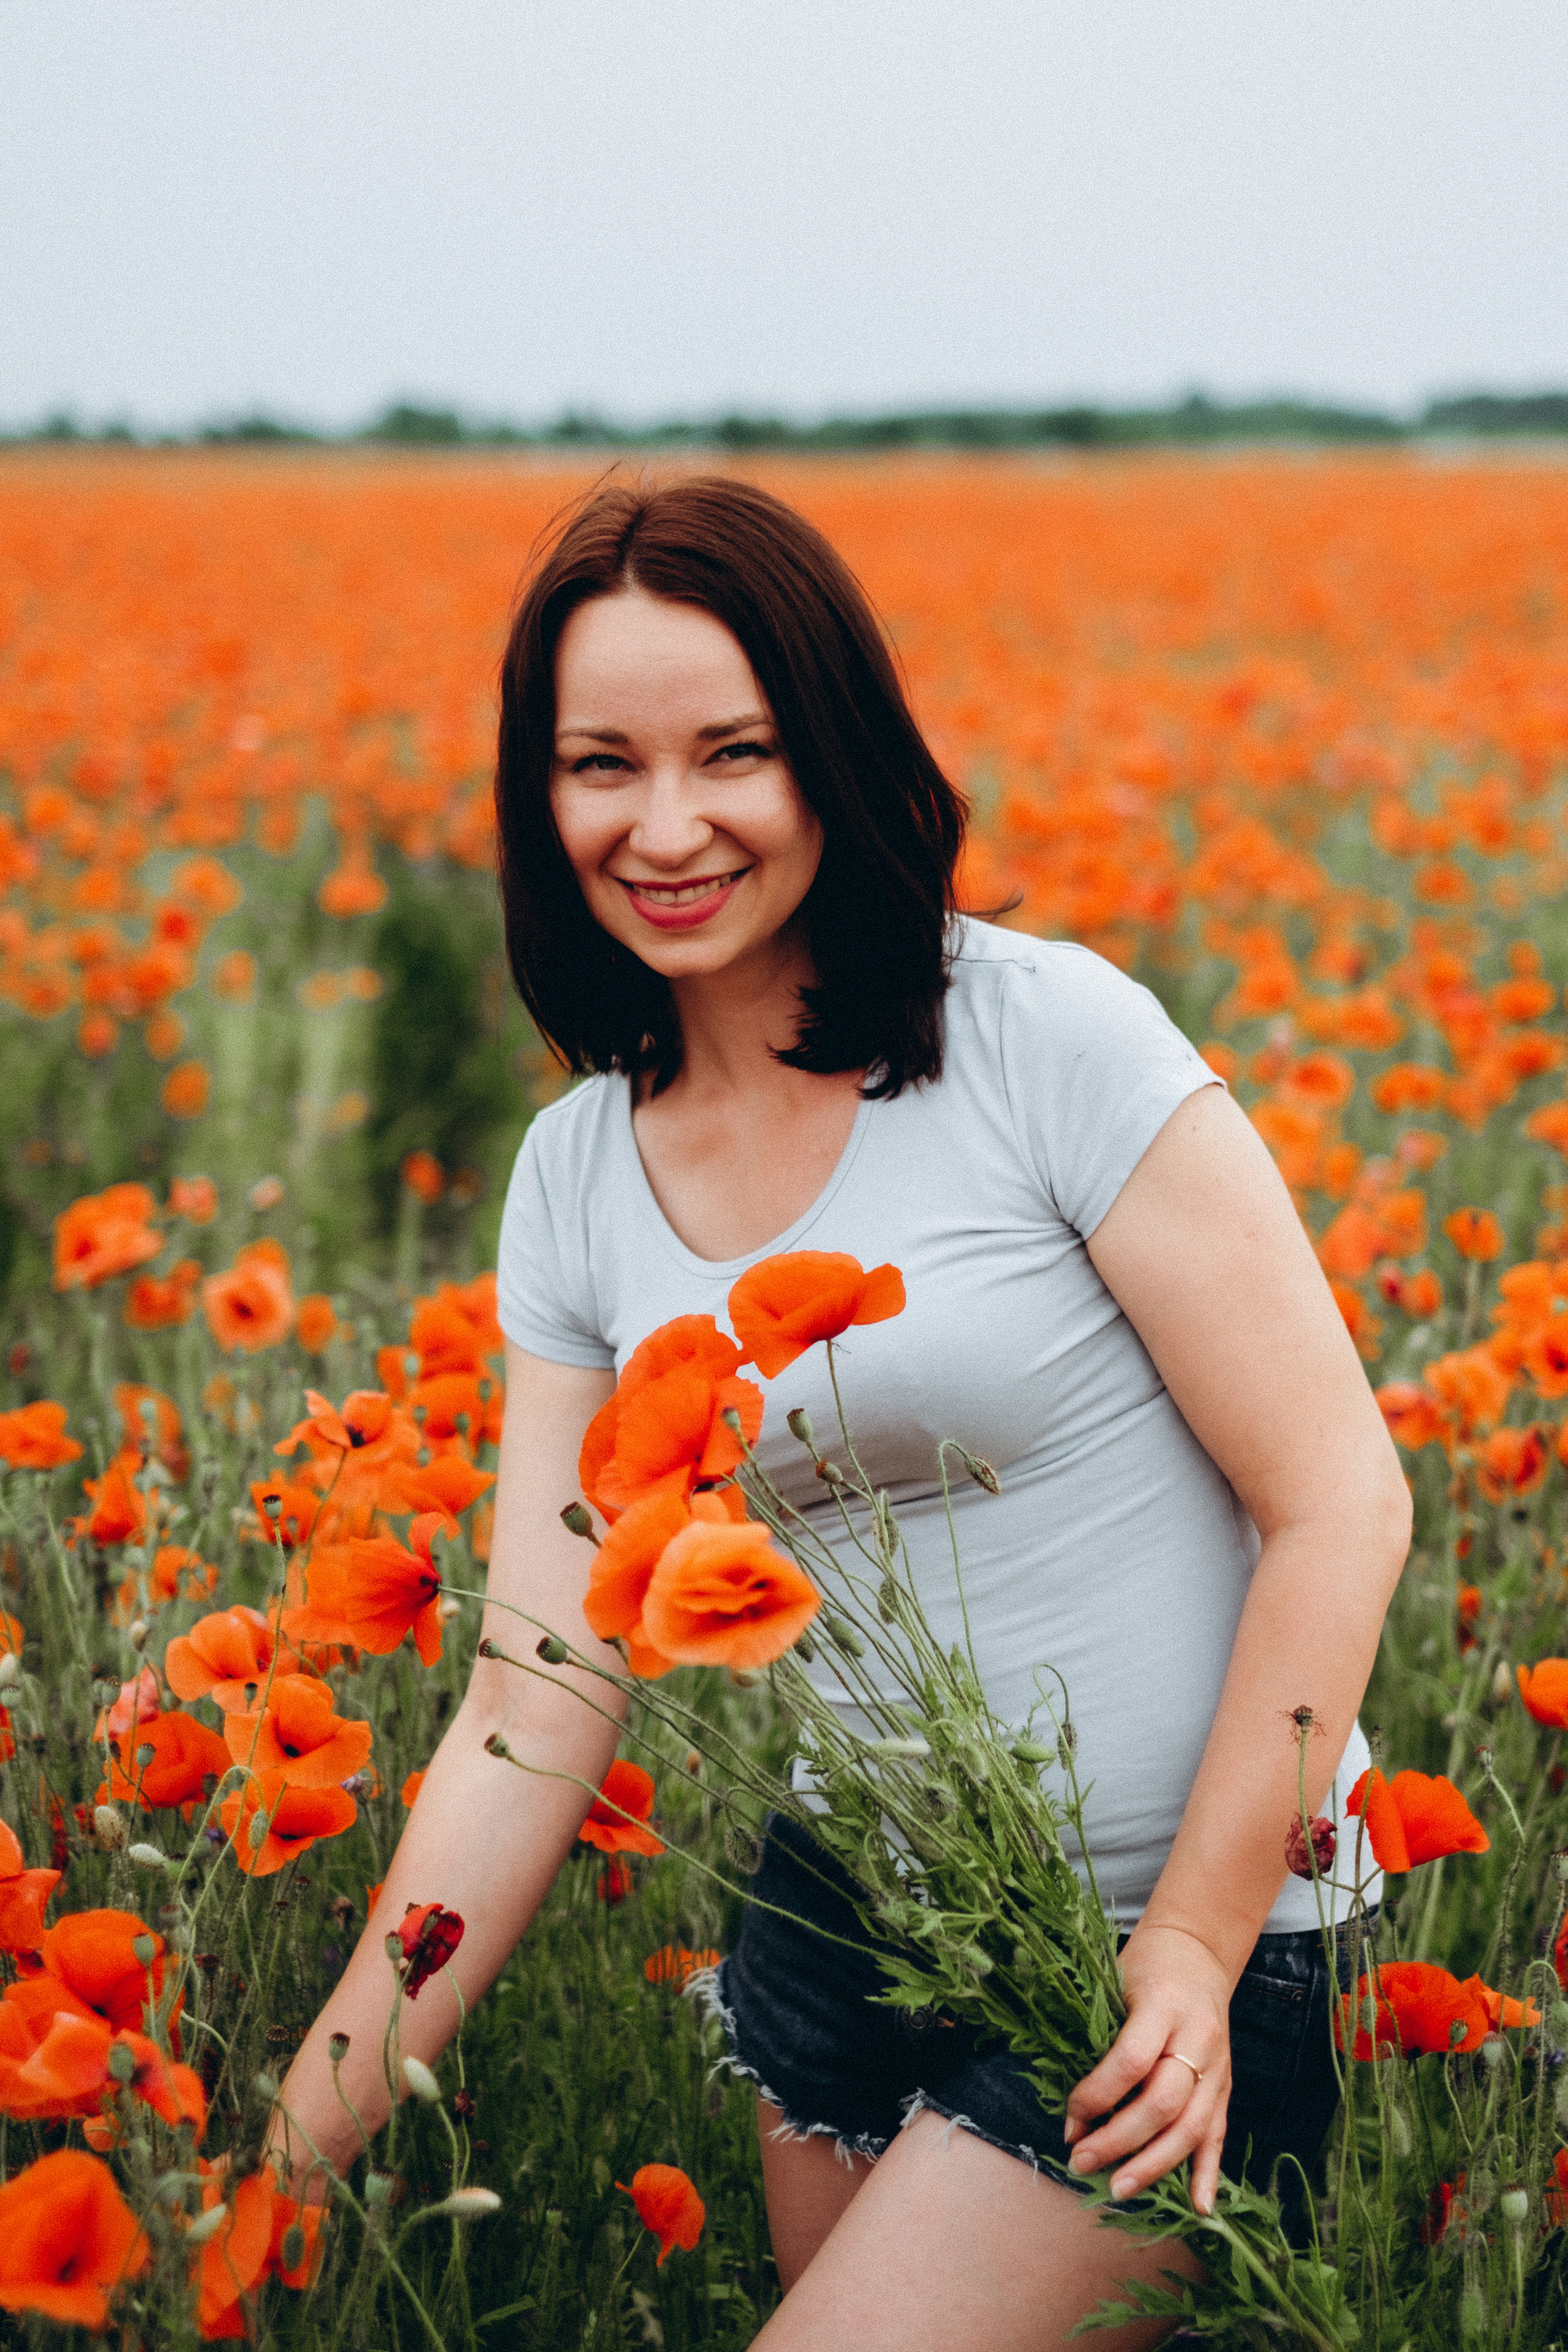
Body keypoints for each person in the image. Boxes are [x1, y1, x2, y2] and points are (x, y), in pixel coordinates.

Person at [273, 477, 1411, 2350]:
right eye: (598, 766)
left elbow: (1341, 1503)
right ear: (534, 798)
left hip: (1158, 1964)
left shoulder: (1046, 1043)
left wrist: (1199, 1951)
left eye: (736, 752)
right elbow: (535, 1692)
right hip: (842, 1943)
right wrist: (295, 2142)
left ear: (838, 751)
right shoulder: (573, 1177)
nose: (666, 826)